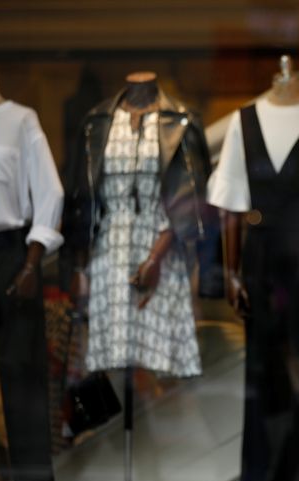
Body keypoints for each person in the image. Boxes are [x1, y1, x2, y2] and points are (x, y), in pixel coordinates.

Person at [64, 71, 213, 377]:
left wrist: (156, 257)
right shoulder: (97, 121)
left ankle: (152, 422)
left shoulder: (181, 120)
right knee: (115, 360)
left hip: (163, 243)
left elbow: (189, 199)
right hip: (110, 248)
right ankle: (125, 426)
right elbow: (82, 197)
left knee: (156, 358)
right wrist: (79, 268)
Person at [206, 55, 299, 481]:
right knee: (263, 364)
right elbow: (229, 203)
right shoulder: (245, 121)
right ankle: (267, 470)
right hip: (262, 253)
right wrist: (230, 272)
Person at [0, 59, 62, 481]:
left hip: (11, 249)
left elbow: (50, 189)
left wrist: (32, 261)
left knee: (21, 363)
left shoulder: (21, 119)